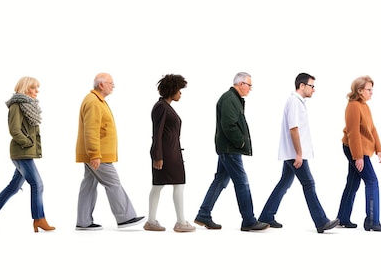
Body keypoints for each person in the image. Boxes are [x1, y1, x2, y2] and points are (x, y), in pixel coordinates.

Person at [258, 73, 339, 233]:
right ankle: (321, 221)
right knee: (309, 184)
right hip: (294, 153)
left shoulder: (297, 102)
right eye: (312, 86)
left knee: (284, 183)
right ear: (302, 86)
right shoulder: (294, 102)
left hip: (292, 152)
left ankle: (266, 216)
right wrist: (299, 154)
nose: (314, 90)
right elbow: (294, 129)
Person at [194, 72, 269, 231]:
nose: (250, 89)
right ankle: (249, 220)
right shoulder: (229, 98)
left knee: (220, 181)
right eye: (249, 85)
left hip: (227, 148)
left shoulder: (233, 98)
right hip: (230, 149)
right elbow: (229, 124)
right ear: (241, 84)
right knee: (242, 182)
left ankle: (203, 214)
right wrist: (240, 142)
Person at [0, 76, 55, 232]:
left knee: (14, 187)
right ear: (25, 88)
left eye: (37, 88)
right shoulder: (16, 105)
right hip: (21, 152)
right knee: (37, 184)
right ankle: (39, 219)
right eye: (34, 87)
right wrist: (28, 143)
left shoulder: (30, 105)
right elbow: (14, 130)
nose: (37, 91)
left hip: (25, 152)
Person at [75, 73, 145, 230]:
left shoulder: (98, 101)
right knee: (113, 182)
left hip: (96, 153)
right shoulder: (93, 102)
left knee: (89, 184)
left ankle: (83, 221)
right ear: (101, 85)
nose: (113, 86)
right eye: (110, 83)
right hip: (98, 154)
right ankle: (125, 217)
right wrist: (94, 154)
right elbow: (91, 131)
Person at [145, 74, 195, 232]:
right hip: (166, 154)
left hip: (172, 152)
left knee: (163, 185)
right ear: (172, 90)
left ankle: (153, 221)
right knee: (167, 185)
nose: (181, 93)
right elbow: (157, 132)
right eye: (179, 90)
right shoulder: (161, 107)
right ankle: (180, 222)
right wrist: (158, 155)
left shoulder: (166, 106)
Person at [336, 75, 381, 231]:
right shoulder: (353, 106)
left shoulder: (364, 106)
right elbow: (353, 133)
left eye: (372, 89)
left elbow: (372, 129)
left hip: (362, 149)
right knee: (372, 182)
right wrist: (358, 157)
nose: (371, 93)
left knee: (353, 182)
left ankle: (342, 218)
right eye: (369, 90)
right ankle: (372, 221)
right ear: (359, 90)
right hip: (354, 148)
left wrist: (379, 149)